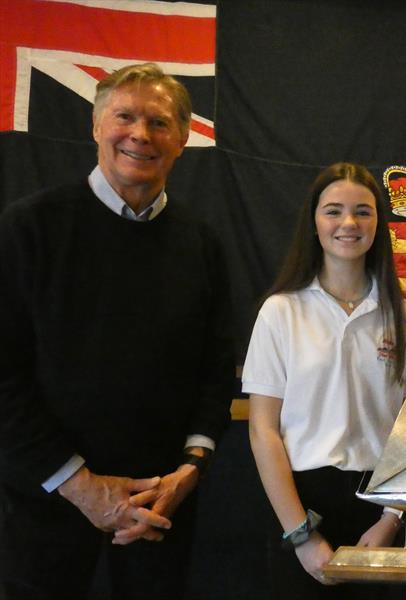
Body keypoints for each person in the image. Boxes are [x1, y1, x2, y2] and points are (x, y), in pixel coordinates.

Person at [0, 63, 235, 599]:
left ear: (181, 140)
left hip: (160, 511)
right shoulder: (28, 228)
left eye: (158, 123)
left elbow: (215, 373)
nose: (139, 134)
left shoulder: (202, 246)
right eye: (124, 117)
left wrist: (189, 471)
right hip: (47, 510)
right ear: (96, 126)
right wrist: (81, 488)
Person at [243, 162, 406, 599]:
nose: (348, 223)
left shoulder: (401, 316)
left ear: (379, 224)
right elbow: (263, 430)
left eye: (363, 211)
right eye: (334, 210)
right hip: (301, 505)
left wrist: (390, 520)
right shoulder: (281, 311)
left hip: (381, 506)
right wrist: (301, 535)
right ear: (314, 221)